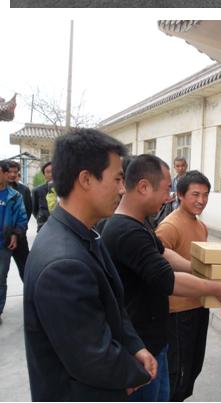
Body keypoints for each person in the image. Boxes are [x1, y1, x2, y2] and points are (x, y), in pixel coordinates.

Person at [23, 129, 157, 401]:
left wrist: (135, 346)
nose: (122, 189)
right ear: (85, 179)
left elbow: (113, 307)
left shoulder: (85, 233)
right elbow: (91, 357)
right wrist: (136, 374)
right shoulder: (63, 264)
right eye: (117, 179)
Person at [101, 154, 221, 402]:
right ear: (144, 187)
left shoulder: (140, 225)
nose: (168, 196)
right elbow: (169, 280)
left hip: (154, 339)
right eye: (166, 188)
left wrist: (200, 270)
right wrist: (219, 289)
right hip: (141, 344)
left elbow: (163, 253)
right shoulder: (126, 232)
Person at [155, 170, 212, 401]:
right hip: (178, 311)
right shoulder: (169, 226)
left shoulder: (201, 226)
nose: (201, 200)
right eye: (195, 194)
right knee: (177, 371)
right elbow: (158, 262)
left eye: (205, 195)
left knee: (193, 366)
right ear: (180, 194)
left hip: (199, 304)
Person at [0, 160, 28, 324]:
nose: (11, 174)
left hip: (4, 244)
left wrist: (16, 234)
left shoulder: (15, 196)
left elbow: (23, 217)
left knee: (0, 278)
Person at [6, 160, 32, 281]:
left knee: (26, 269)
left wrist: (18, 233)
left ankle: (30, 292)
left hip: (19, 238)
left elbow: (28, 212)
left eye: (15, 172)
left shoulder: (24, 190)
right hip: (1, 238)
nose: (12, 174)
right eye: (9, 171)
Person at [32, 161, 52, 232]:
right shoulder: (37, 190)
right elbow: (34, 210)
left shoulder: (65, 189)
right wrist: (41, 216)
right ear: (44, 174)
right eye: (48, 172)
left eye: (53, 171)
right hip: (43, 225)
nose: (51, 174)